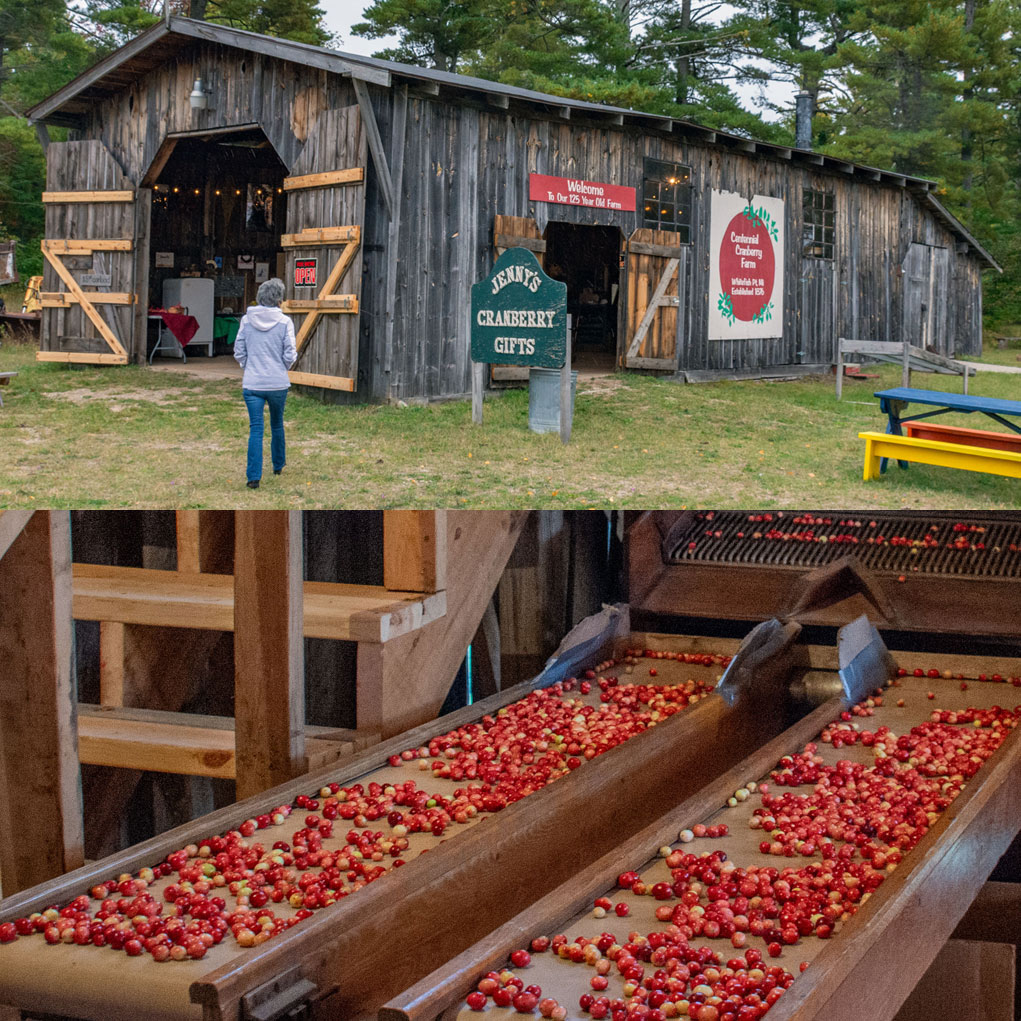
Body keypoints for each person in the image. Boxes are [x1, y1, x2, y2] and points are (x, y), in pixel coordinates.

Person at [234, 278, 297, 489]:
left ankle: (253, 476)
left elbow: (239, 350)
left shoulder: (246, 320)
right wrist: (282, 367)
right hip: (277, 382)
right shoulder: (284, 322)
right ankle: (278, 464)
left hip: (252, 383)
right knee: (277, 424)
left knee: (256, 429)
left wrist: (247, 366)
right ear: (279, 299)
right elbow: (290, 353)